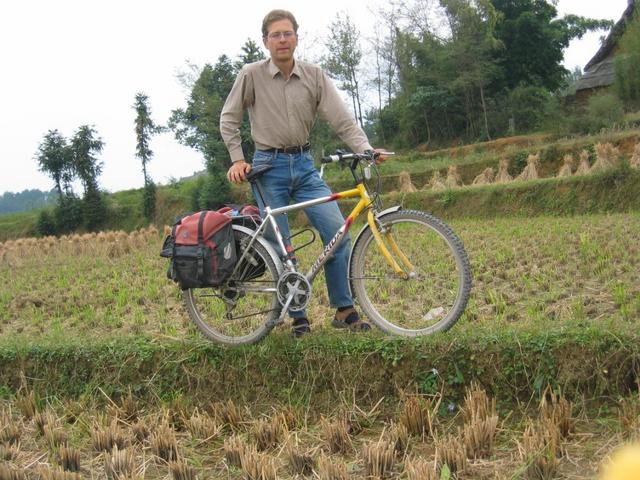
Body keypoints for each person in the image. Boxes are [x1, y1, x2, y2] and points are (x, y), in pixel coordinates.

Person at [220, 9, 387, 337]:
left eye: (287, 33)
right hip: (268, 168)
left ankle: (344, 309)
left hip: (305, 166)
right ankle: (298, 315)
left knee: (338, 232)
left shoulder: (314, 75)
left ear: (297, 37)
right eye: (275, 35)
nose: (282, 40)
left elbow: (341, 119)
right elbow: (229, 118)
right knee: (282, 246)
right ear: (265, 41)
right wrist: (237, 159)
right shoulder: (251, 75)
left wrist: (366, 148)